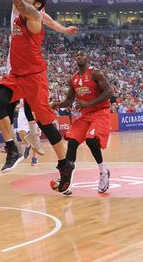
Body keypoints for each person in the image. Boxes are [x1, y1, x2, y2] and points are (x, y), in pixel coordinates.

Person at [0, 0, 73, 193]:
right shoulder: (22, 11)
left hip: (35, 76)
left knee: (46, 124)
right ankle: (12, 148)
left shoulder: (34, 17)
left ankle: (64, 164)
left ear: (37, 5)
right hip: (17, 74)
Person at [11, 0, 78, 161]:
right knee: (7, 100)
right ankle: (13, 141)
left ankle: (32, 136)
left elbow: (50, 21)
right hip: (15, 53)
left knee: (30, 102)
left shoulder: (36, 10)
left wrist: (65, 30)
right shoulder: (20, 2)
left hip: (27, 57)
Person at [51, 50, 114, 194]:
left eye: (82, 55)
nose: (79, 57)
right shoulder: (73, 79)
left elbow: (109, 92)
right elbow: (69, 100)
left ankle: (103, 172)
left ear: (87, 58)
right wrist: (58, 105)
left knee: (91, 140)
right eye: (77, 55)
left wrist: (89, 103)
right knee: (72, 142)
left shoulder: (95, 73)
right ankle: (66, 178)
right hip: (86, 115)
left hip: (100, 113)